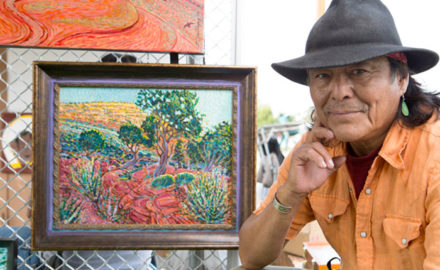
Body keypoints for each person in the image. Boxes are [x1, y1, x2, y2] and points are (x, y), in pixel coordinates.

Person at [239, 0, 440, 269]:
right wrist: (291, 193)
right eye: (322, 75)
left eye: (359, 71)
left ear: (401, 79)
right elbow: (251, 257)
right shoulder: (316, 151)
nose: (339, 92)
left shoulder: (434, 156)